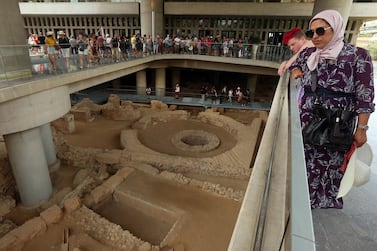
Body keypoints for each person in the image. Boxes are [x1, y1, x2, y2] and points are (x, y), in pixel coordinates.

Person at [289, 10, 375, 209]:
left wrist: (362, 129)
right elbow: (296, 66)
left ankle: (320, 200)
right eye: (311, 33)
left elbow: (365, 96)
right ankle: (302, 199)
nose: (315, 37)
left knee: (330, 160)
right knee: (306, 157)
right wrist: (295, 70)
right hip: (310, 117)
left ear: (335, 29)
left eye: (320, 31)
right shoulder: (311, 54)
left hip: (338, 120)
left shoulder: (358, 56)